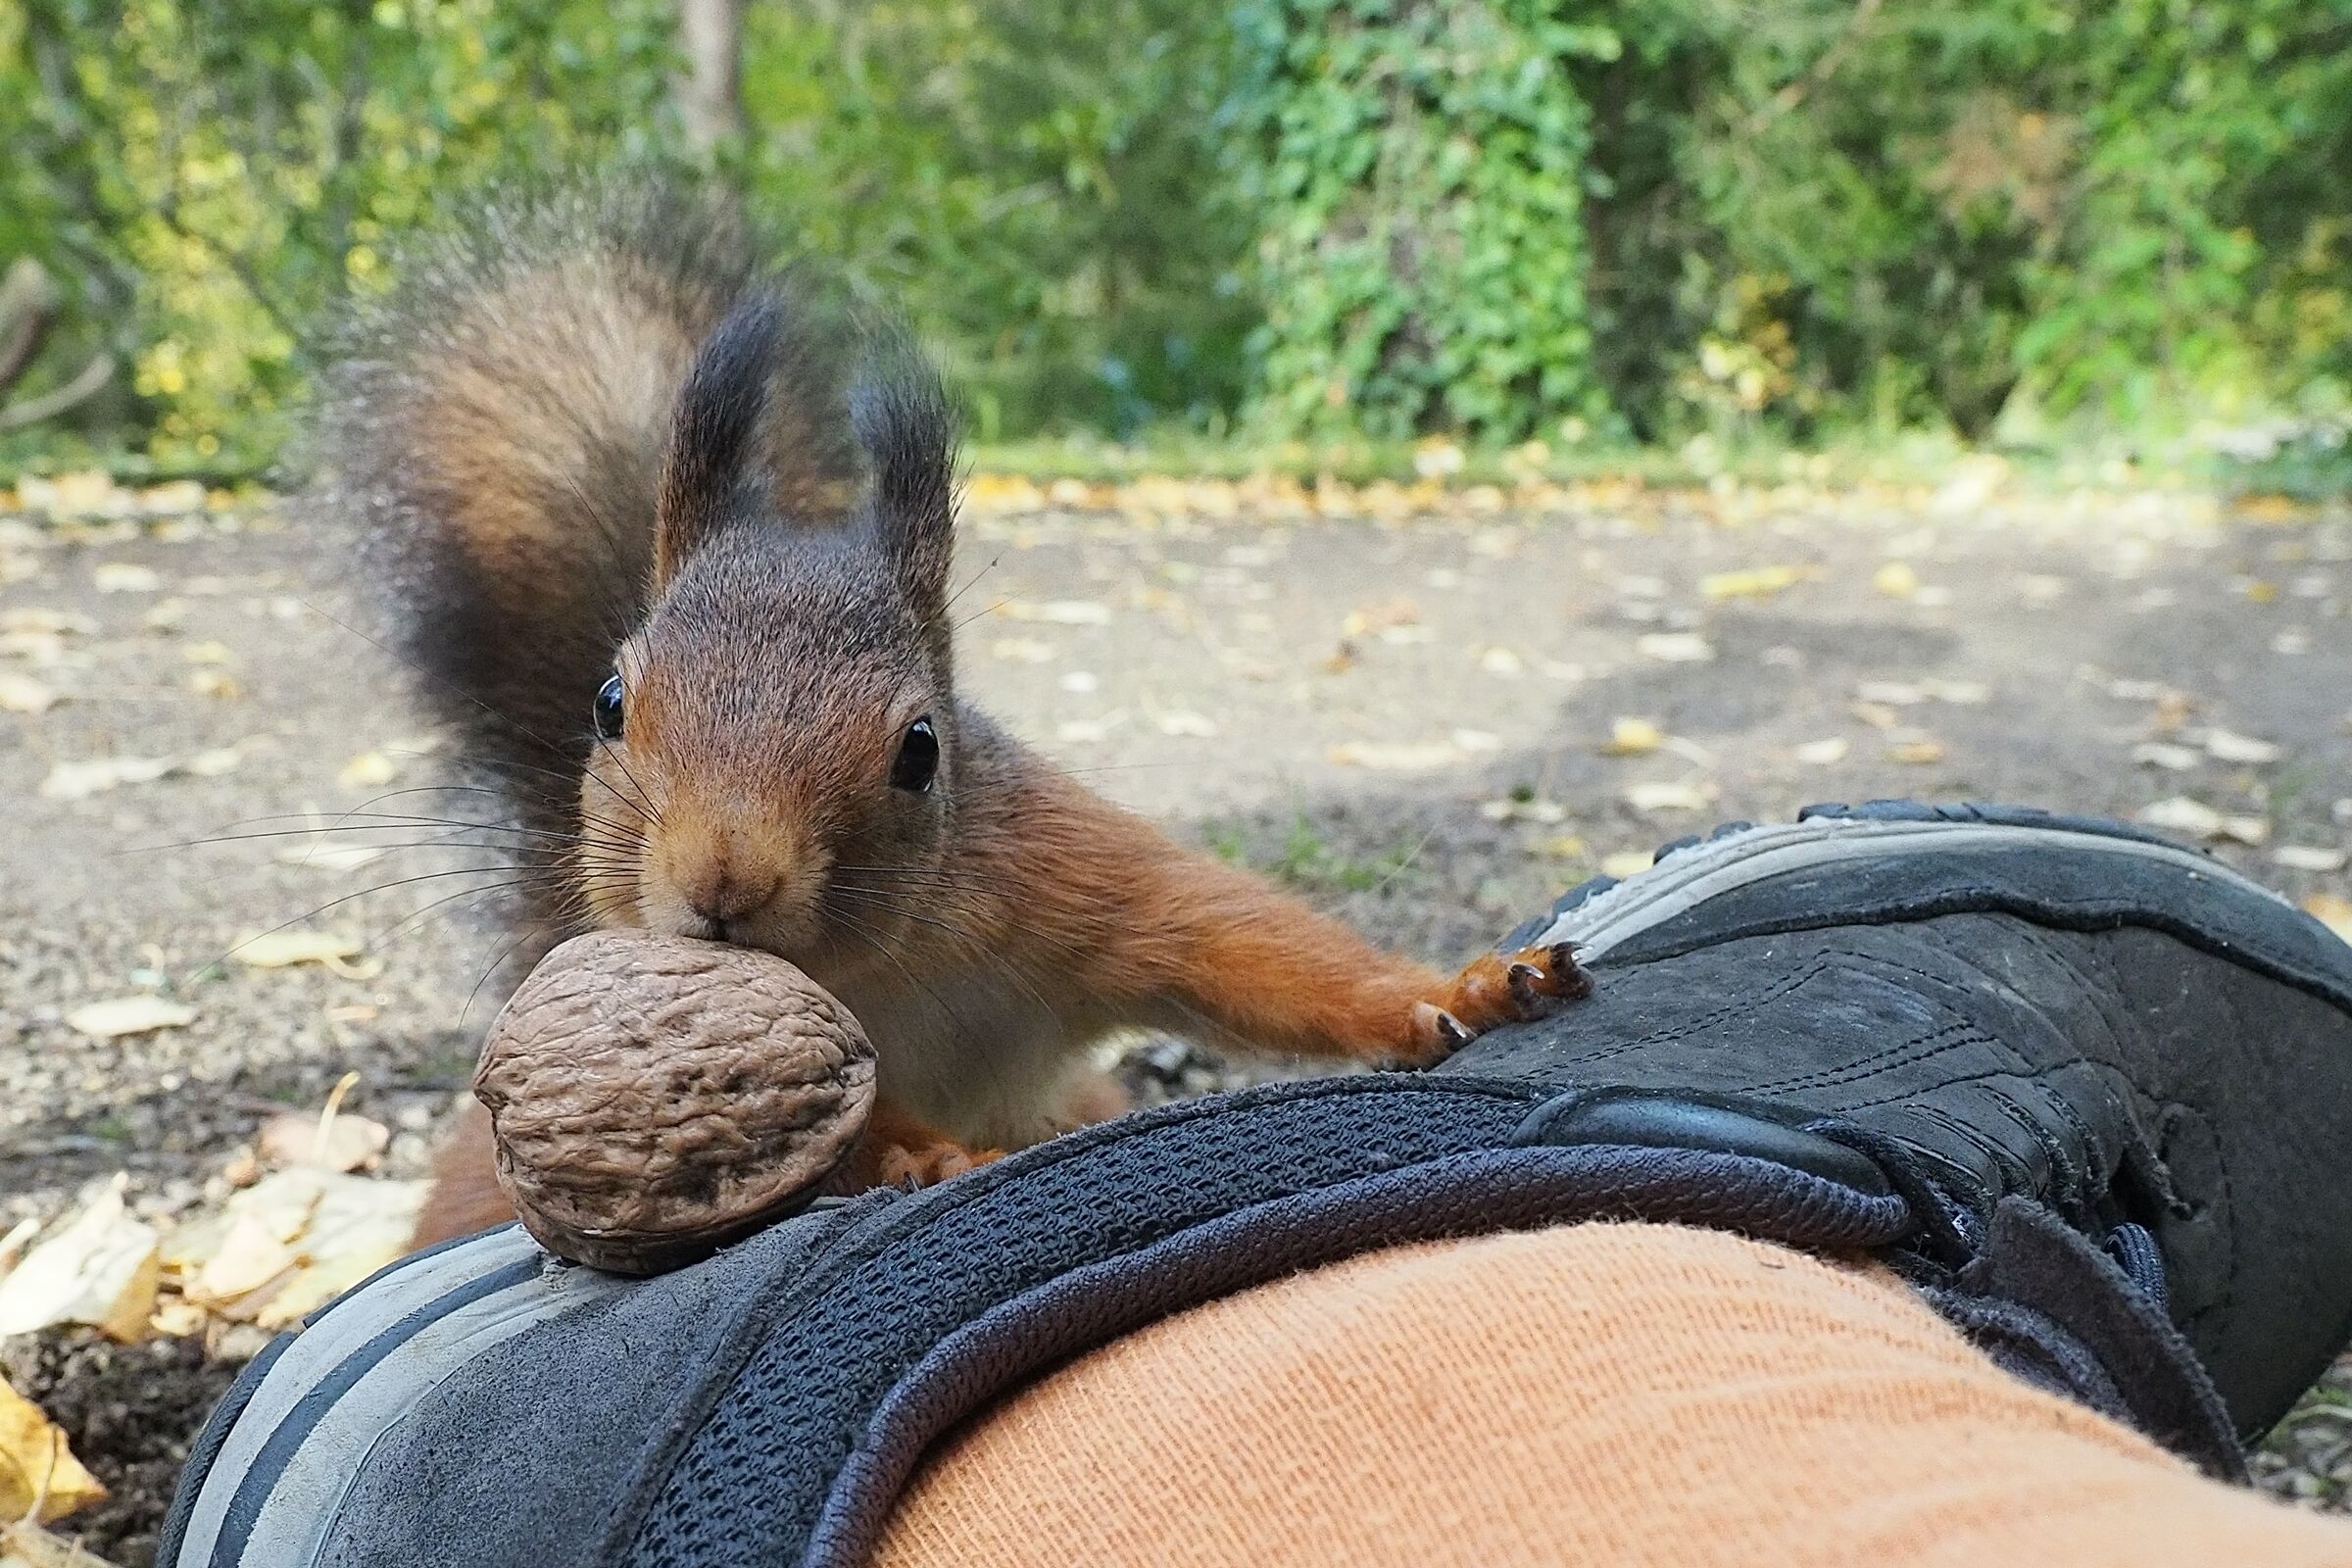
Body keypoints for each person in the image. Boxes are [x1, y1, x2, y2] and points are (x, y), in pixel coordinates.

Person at [161, 804, 2352, 1567]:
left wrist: (1404, 1001)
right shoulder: (652, 899)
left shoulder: (999, 835)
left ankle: (1008, 1398)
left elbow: (1192, 932)